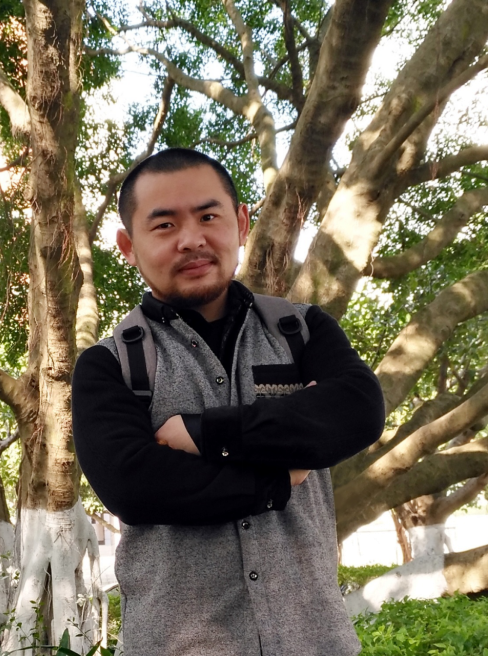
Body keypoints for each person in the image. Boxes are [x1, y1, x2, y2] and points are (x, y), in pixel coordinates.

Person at [72, 148, 385, 656]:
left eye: (208, 216)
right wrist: (279, 475)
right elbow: (134, 485)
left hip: (316, 641)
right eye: (165, 225)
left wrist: (203, 433)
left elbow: (358, 412)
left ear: (240, 223)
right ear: (129, 246)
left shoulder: (304, 332)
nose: (191, 239)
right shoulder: (110, 366)